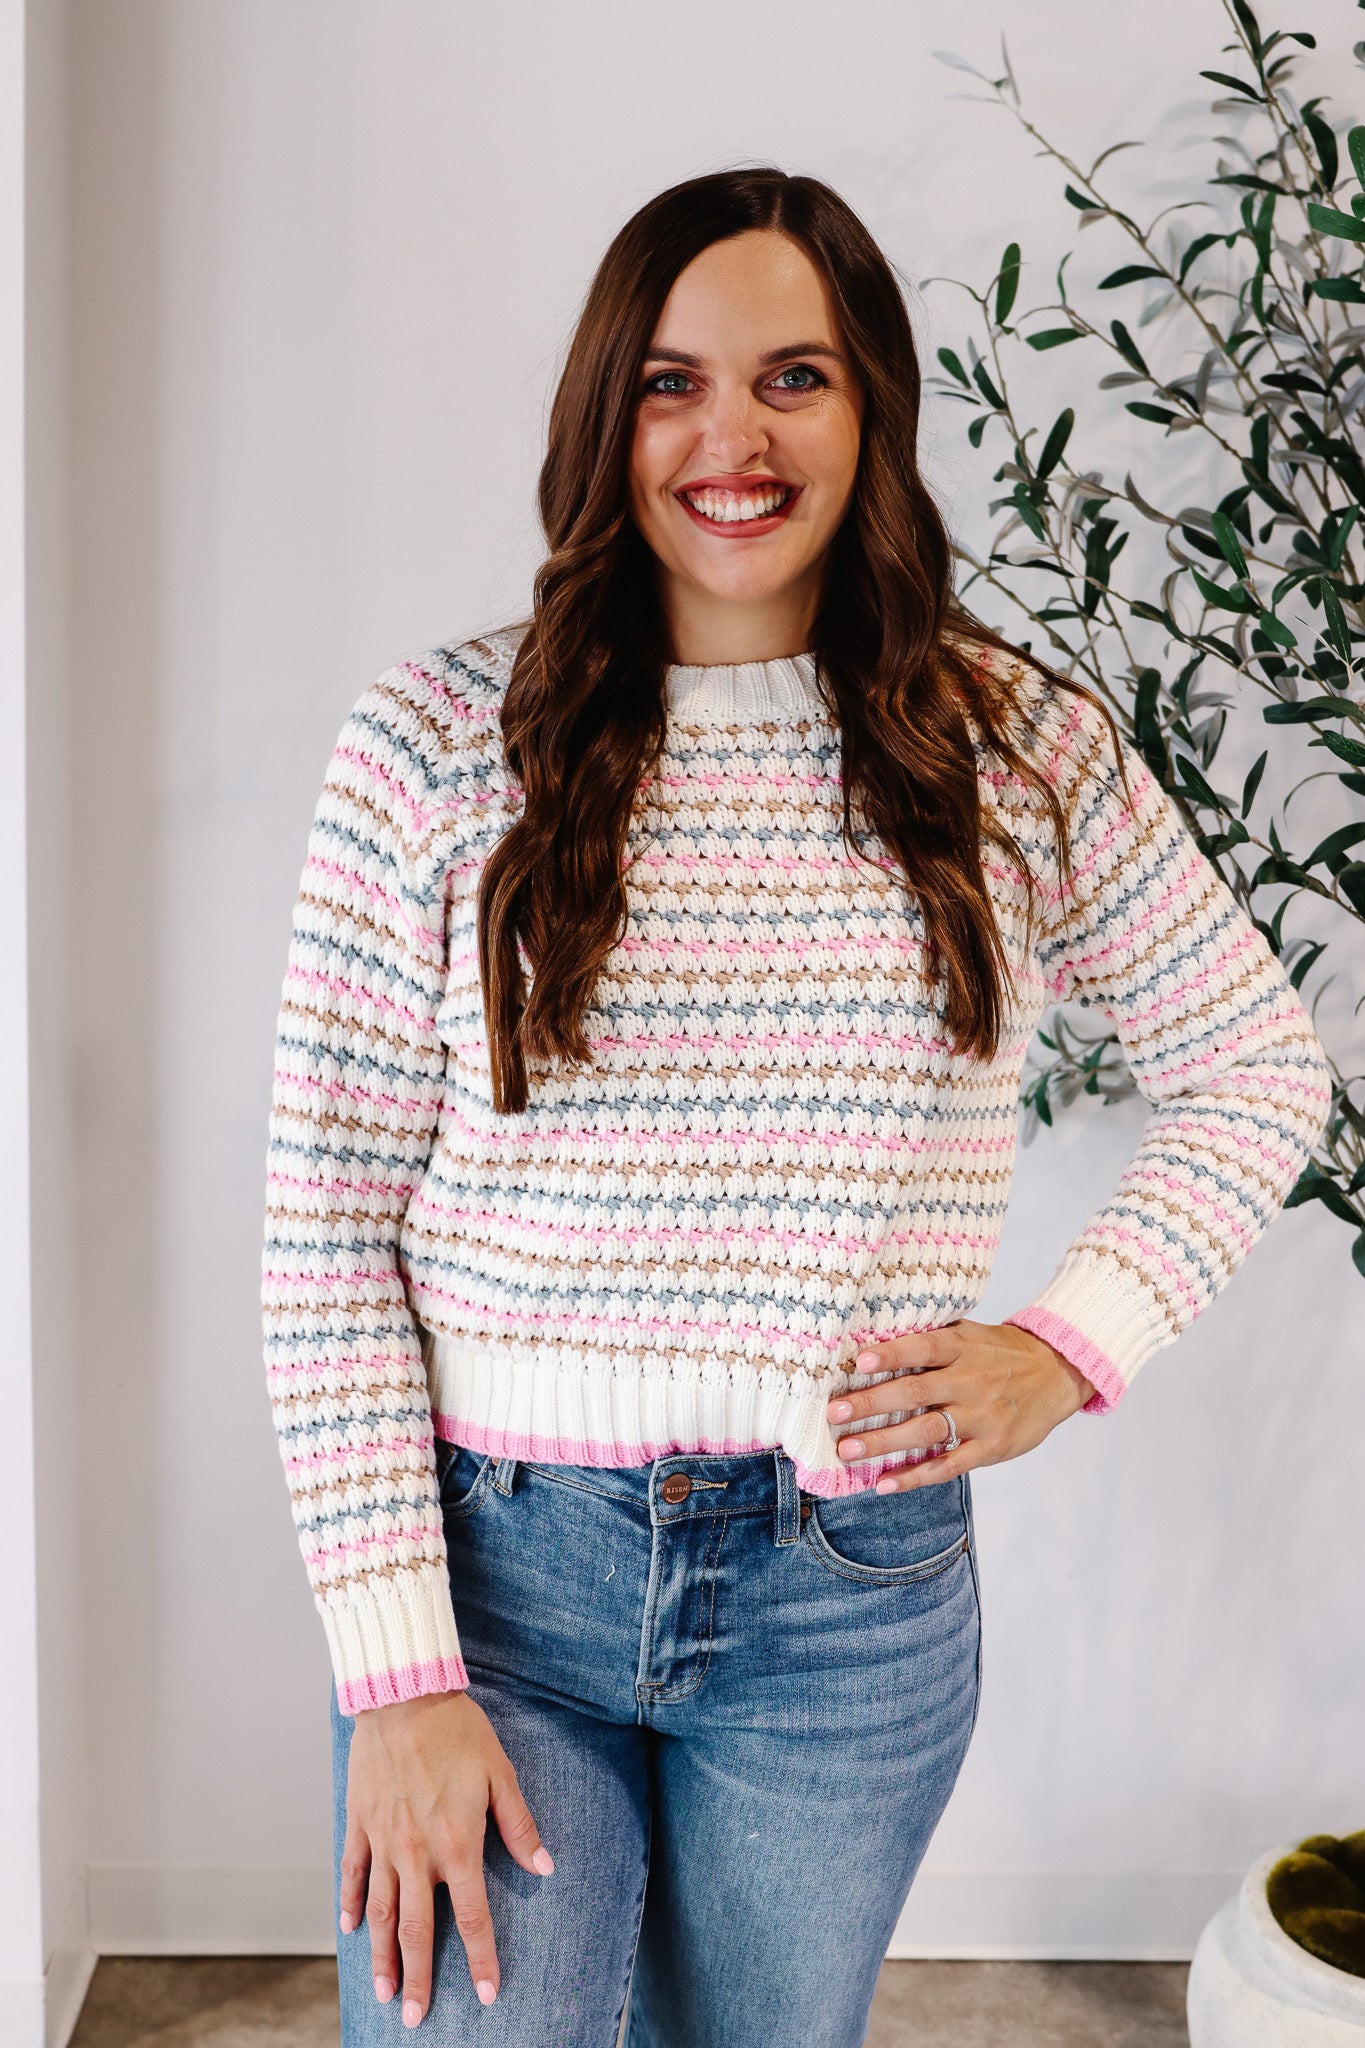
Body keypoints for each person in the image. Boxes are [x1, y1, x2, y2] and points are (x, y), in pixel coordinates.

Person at [261, 168, 1332, 2047]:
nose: (731, 438)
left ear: (870, 412)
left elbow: (1256, 1070)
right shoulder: (431, 747)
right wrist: (397, 1675)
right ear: (607, 417)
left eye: (794, 378)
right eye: (670, 383)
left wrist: (1064, 1349)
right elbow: (327, 1232)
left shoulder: (1016, 749)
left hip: (847, 1598)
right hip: (494, 1583)